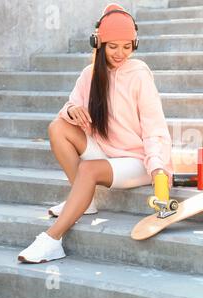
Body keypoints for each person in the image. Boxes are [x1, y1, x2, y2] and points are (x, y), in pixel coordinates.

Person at [17, 3, 173, 264]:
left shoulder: (139, 74)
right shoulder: (89, 74)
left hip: (137, 161)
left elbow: (154, 127)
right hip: (107, 152)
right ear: (98, 43)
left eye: (127, 46)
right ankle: (85, 202)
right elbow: (68, 107)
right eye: (113, 46)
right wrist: (73, 110)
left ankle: (52, 239)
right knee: (58, 127)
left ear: (135, 44)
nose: (120, 53)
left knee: (89, 170)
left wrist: (158, 168)